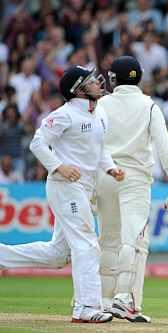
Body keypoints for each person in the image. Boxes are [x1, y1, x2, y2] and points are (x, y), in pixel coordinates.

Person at [0, 65, 125, 323]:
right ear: (78, 89)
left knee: (58, 255)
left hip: (83, 188)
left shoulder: (99, 113)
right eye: (90, 81)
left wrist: (111, 168)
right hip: (64, 186)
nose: (97, 82)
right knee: (87, 244)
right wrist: (59, 166)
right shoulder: (64, 115)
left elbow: (100, 148)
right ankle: (85, 308)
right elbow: (37, 142)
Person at [96, 55, 168, 322]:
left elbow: (91, 143)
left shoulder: (101, 104)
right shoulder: (149, 106)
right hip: (134, 178)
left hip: (105, 175)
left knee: (109, 239)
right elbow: (165, 150)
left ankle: (103, 301)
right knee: (133, 239)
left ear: (113, 79)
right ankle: (123, 298)